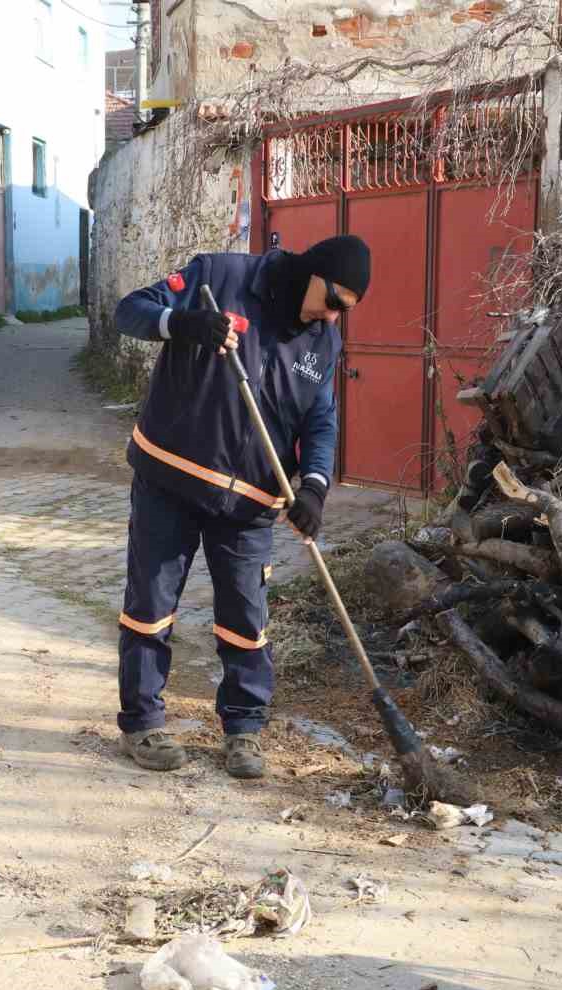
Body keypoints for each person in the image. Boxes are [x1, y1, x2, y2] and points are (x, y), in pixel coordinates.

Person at [111, 235, 371, 779]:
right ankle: (143, 723)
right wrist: (180, 325)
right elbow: (129, 311)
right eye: (333, 299)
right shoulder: (219, 277)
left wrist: (316, 487)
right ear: (312, 271)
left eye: (344, 309)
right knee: (150, 605)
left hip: (251, 500)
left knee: (246, 620)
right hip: (171, 478)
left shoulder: (323, 344)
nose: (333, 314)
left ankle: (244, 731)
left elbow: (320, 421)